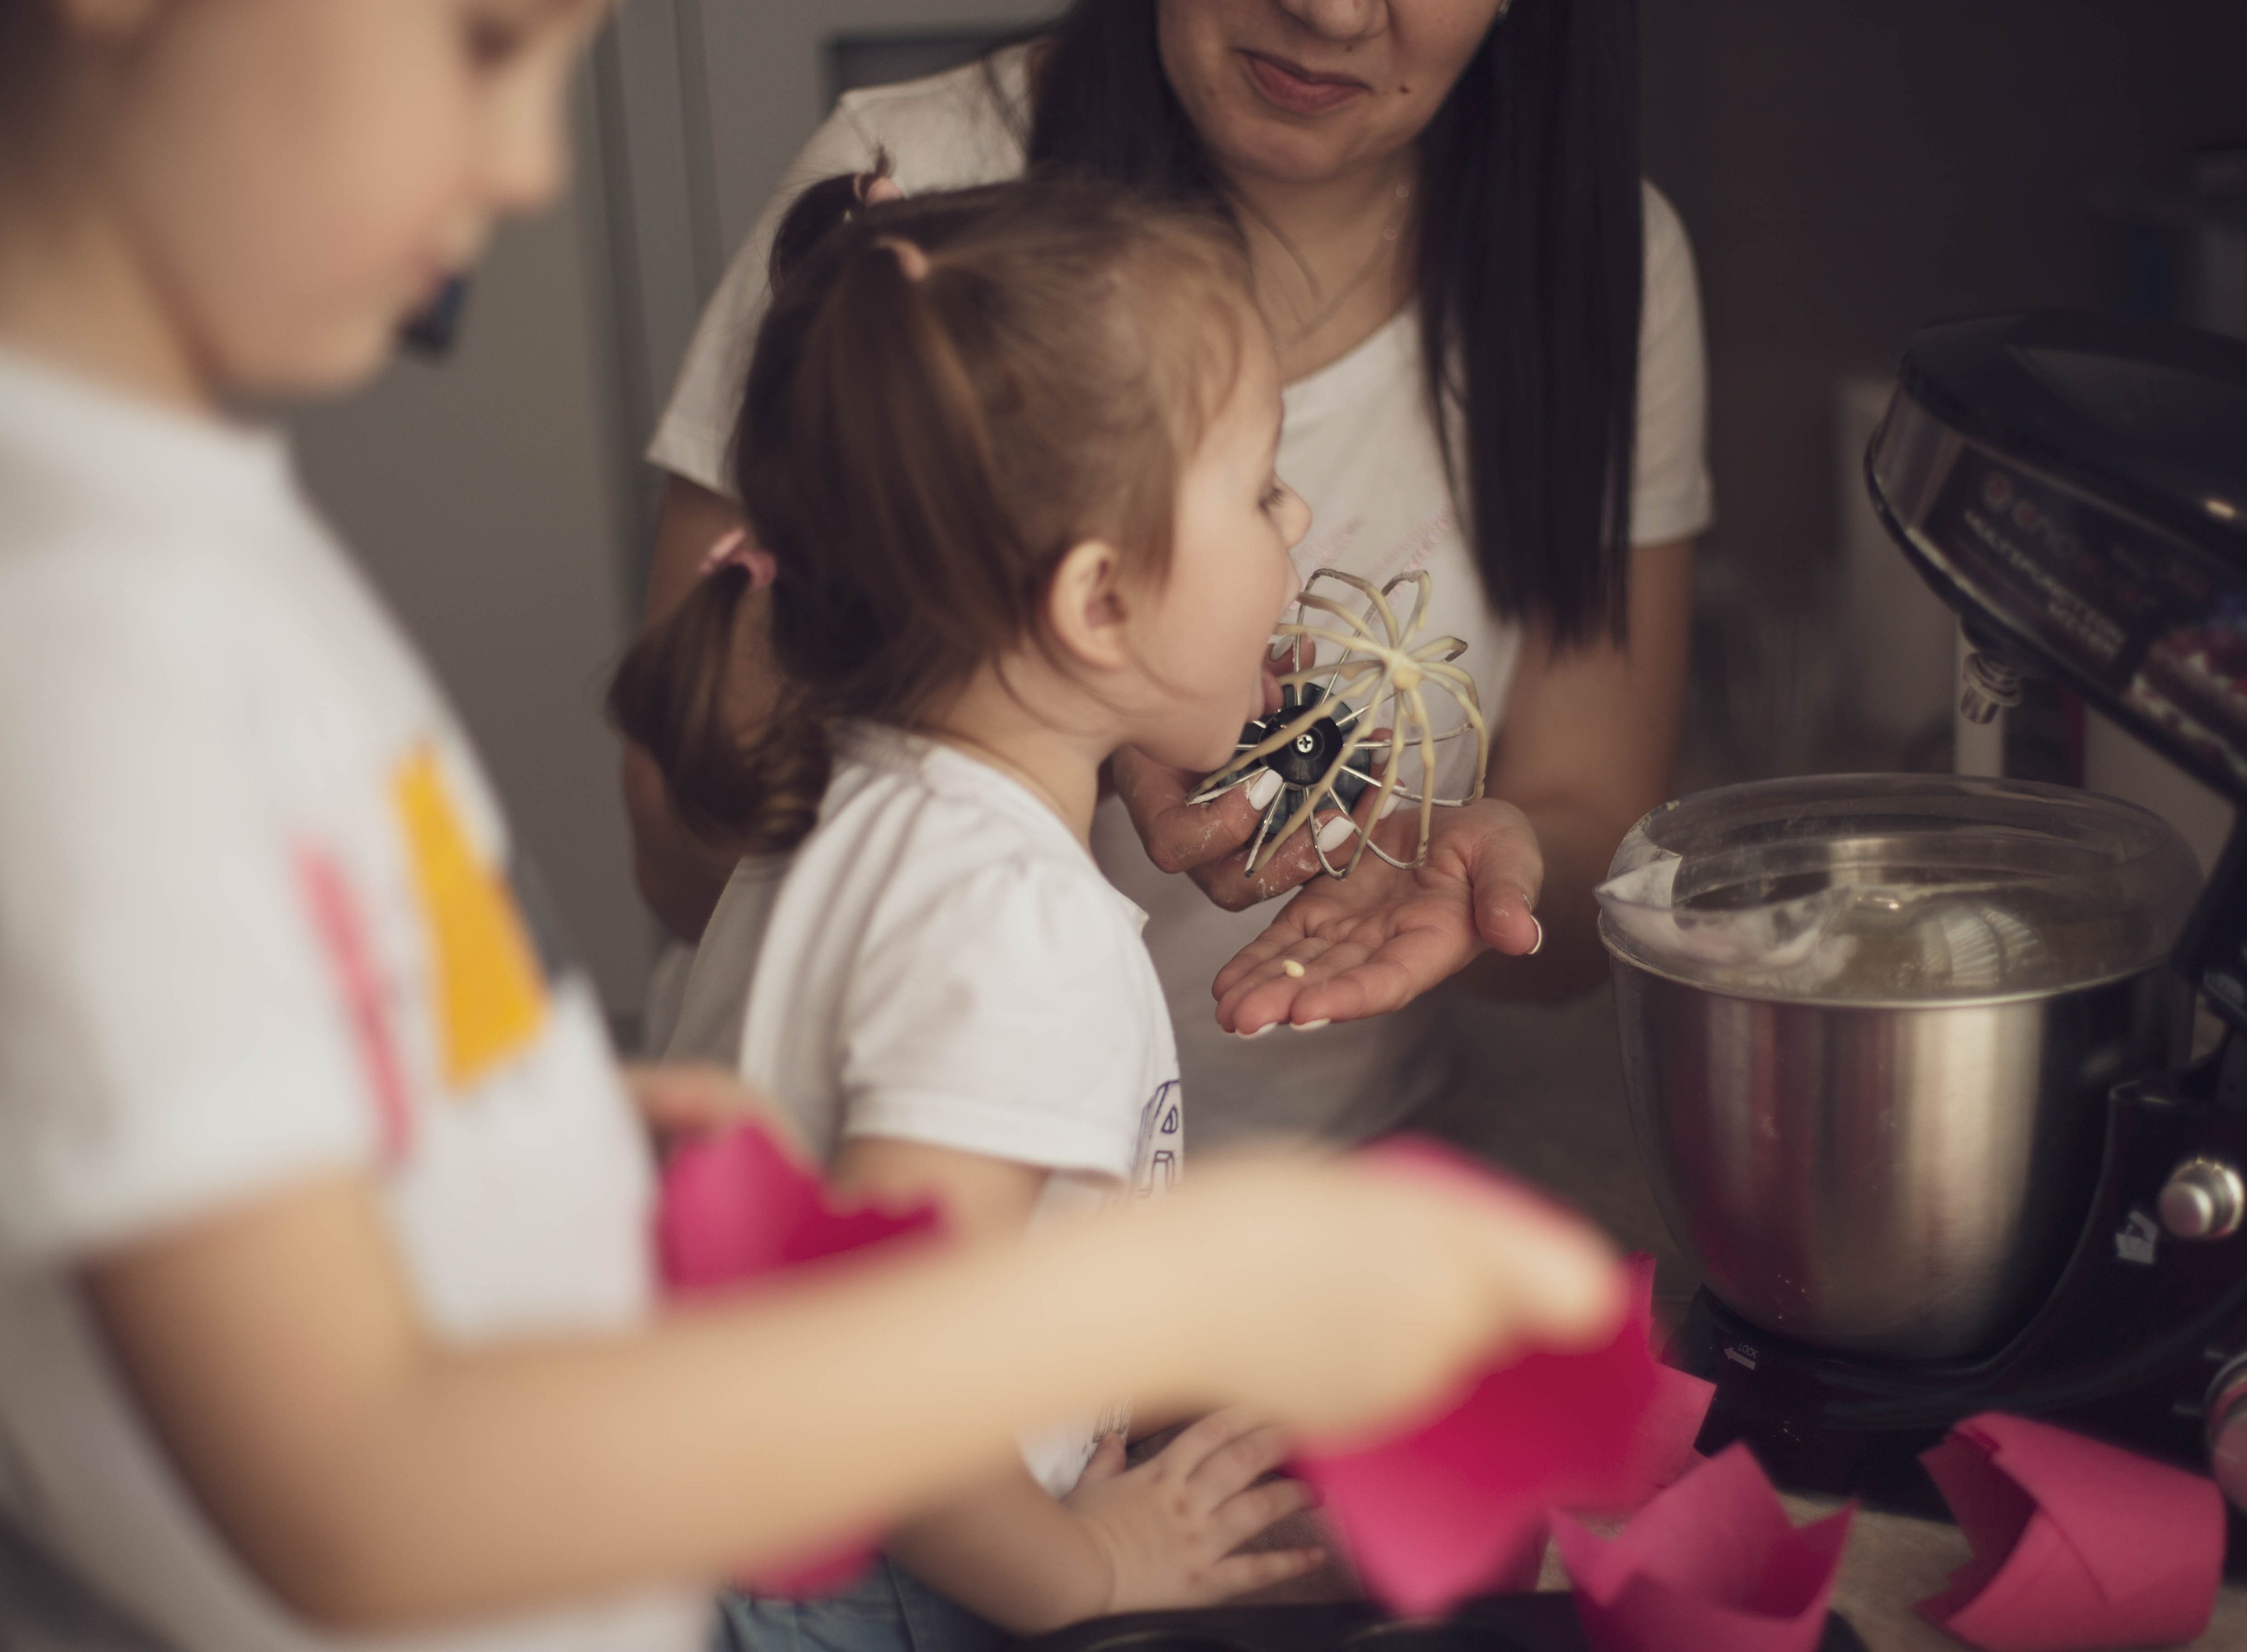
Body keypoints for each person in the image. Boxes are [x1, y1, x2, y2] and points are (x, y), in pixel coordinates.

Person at [0, 3, 1631, 1649]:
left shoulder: (192, 551)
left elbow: (275, 1059)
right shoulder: (93, 633)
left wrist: (543, 1146)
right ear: (1095, 597)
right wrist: (1193, 1288)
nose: (526, 165)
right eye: (486, 45)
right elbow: (353, 1490)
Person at [627, 0, 1710, 1154]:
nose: (1331, 10)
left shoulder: (1603, 262)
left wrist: (1469, 868)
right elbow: (682, 837)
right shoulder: (915, 218)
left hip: (1257, 1191)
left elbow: (1593, 828)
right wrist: (1046, 704)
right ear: (1092, 601)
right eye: (1257, 493)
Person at [613, 169, 1332, 1652]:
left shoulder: (839, 806)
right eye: (1261, 485)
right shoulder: (1015, 927)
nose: (1299, 516)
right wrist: (1089, 1561)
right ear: (1097, 606)